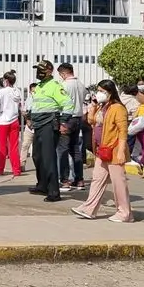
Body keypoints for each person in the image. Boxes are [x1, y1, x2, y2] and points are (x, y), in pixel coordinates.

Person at [72, 80, 134, 222]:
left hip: (114, 149)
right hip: (102, 150)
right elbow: (91, 120)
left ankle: (125, 213)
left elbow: (123, 130)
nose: (99, 93)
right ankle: (89, 208)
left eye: (102, 91)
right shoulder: (102, 107)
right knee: (97, 180)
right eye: (98, 91)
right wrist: (93, 106)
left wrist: (121, 150)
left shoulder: (118, 108)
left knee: (119, 183)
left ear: (110, 92)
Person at [29, 61, 75, 202]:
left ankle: (54, 191)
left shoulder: (54, 86)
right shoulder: (40, 86)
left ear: (49, 71)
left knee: (48, 158)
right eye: (38, 69)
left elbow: (68, 104)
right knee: (37, 156)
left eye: (41, 70)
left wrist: (63, 121)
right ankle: (42, 185)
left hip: (49, 124)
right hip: (38, 125)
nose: (39, 72)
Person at [56, 63, 88, 192]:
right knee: (75, 150)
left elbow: (59, 103)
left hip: (66, 118)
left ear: (63, 73)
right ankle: (79, 180)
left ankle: (65, 180)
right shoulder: (80, 84)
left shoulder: (63, 85)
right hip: (78, 118)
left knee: (62, 150)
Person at [0, 70, 23, 177]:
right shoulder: (17, 91)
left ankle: (0, 169)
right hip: (15, 120)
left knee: (2, 147)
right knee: (14, 147)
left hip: (3, 121)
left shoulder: (2, 92)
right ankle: (16, 170)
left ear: (5, 80)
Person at [20, 83, 38, 173]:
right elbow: (24, 111)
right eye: (33, 90)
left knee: (37, 148)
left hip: (38, 126)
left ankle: (39, 166)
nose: (34, 92)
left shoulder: (40, 99)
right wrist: (27, 120)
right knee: (25, 145)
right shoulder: (29, 99)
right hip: (29, 126)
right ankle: (22, 164)